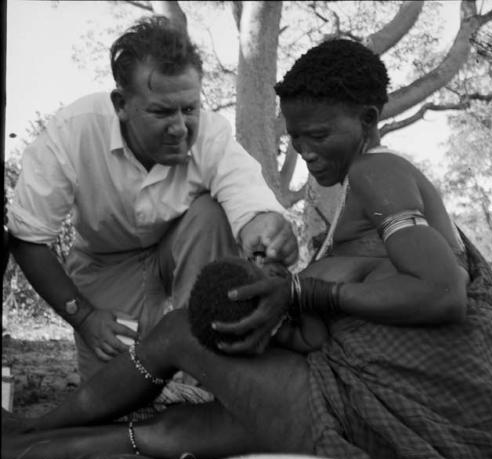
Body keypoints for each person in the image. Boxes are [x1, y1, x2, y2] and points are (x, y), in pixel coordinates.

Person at [2, 38, 492, 459]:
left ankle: (31, 432)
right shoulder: (72, 132)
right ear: (122, 106)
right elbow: (364, 310)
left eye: (319, 134)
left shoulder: (377, 171)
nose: (304, 150)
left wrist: (301, 289)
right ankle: (25, 441)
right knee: (172, 430)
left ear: (367, 120)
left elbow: (444, 293)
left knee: (178, 340)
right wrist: (290, 305)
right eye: (296, 137)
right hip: (363, 394)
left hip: (371, 403)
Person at [6, 16, 297, 383]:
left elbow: (251, 206)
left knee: (210, 213)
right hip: (104, 264)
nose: (179, 128)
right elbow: (28, 239)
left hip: (178, 250)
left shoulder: (212, 136)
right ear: (121, 104)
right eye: (161, 111)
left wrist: (268, 230)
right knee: (115, 395)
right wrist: (83, 316)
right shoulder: (70, 133)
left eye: (189, 109)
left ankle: (203, 357)